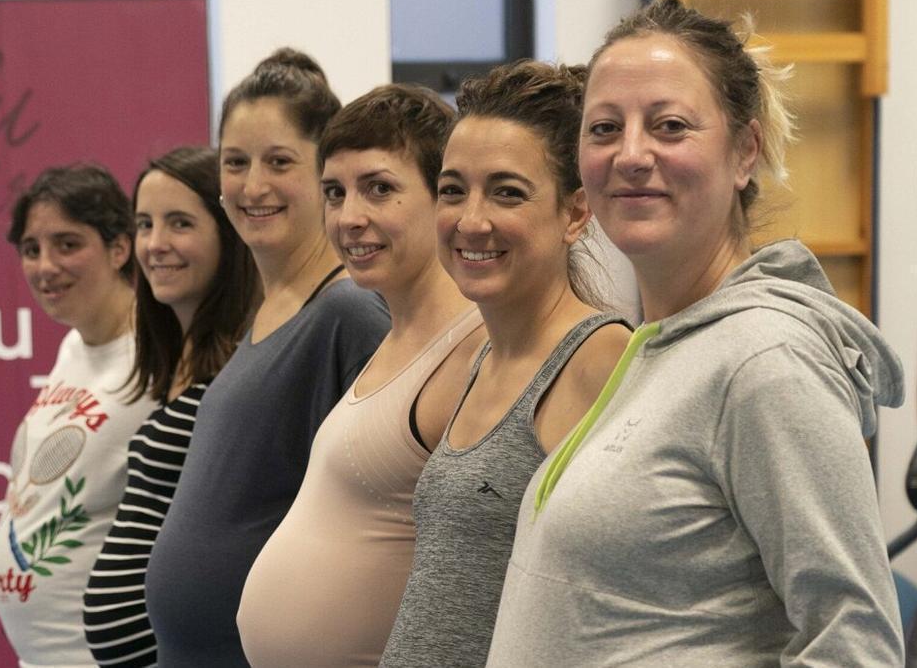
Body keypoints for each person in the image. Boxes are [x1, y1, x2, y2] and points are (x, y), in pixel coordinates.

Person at [486, 0, 905, 666]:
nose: (630, 154)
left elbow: (856, 644)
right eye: (602, 128)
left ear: (745, 152)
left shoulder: (764, 359)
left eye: (670, 125)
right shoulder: (659, 343)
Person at [379, 61, 633, 668]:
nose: (471, 219)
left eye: (507, 192)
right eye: (452, 189)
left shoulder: (600, 359)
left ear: (576, 213)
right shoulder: (483, 356)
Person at [144, 49, 391, 665]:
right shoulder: (269, 311)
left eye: (278, 162)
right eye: (235, 163)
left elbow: (384, 523)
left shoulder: (348, 316)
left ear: (323, 172)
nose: (252, 186)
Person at [237, 84, 486, 667]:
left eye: (379, 189)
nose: (350, 217)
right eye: (334, 192)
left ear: (443, 197)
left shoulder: (475, 352)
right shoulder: (393, 336)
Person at [82, 146, 258, 667]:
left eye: (180, 223)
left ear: (227, 236)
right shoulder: (177, 366)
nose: (155, 244)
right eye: (144, 224)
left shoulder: (241, 370)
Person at [0, 164, 156, 668]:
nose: (45, 266)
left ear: (120, 247)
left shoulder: (163, 358)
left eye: (67, 244)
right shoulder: (71, 348)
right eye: (32, 249)